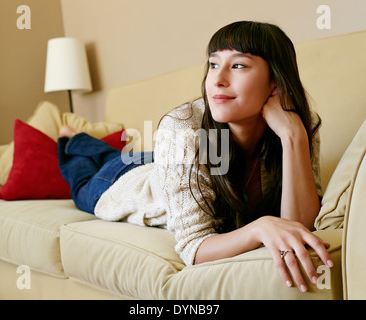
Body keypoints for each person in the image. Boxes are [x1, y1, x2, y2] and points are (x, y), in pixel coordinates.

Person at [57, 21, 333, 293]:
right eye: (213, 64)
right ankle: (69, 138)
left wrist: (293, 137)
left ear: (275, 81)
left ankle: (81, 138)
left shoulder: (295, 124)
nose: (217, 79)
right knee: (78, 171)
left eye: (238, 65)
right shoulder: (181, 128)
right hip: (119, 183)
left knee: (122, 155)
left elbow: (301, 226)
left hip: (162, 163)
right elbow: (194, 247)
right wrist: (258, 228)